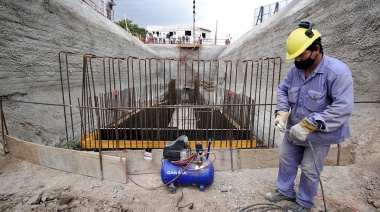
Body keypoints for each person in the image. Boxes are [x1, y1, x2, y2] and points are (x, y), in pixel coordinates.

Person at [265, 20, 354, 212]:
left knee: (309, 168)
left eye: (301, 55)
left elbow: (343, 107)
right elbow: (283, 89)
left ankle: (304, 203)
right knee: (286, 159)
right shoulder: (295, 71)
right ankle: (285, 191)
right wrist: (281, 113)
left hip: (320, 134)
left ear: (316, 49)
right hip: (294, 127)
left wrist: (308, 125)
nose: (297, 60)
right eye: (294, 57)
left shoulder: (337, 72)